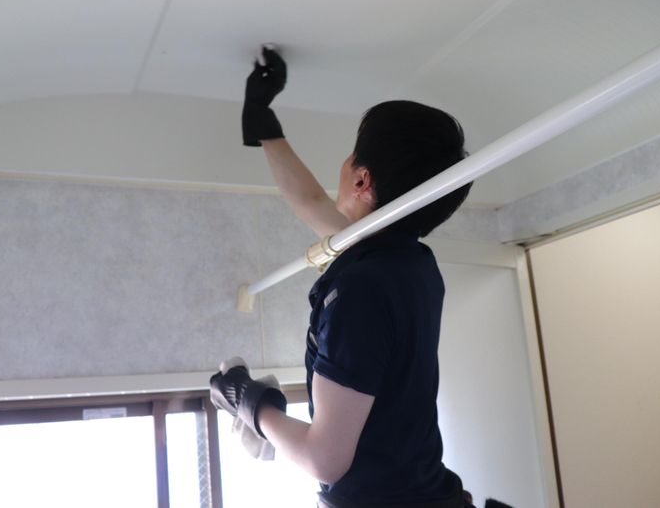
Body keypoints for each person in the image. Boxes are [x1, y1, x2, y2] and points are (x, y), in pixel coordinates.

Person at [210, 48, 502, 508]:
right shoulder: (409, 261)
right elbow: (311, 203)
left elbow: (324, 458)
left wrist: (249, 400)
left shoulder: (363, 287)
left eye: (350, 158)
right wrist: (262, 119)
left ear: (362, 181)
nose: (342, 167)